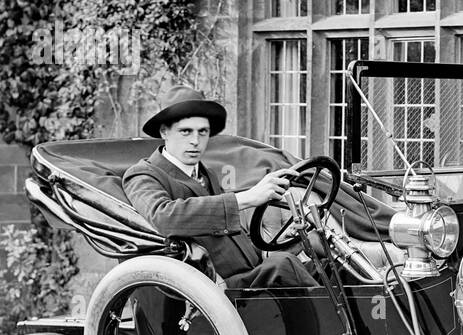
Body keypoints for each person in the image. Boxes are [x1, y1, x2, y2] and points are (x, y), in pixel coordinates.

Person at [122, 85, 320, 289]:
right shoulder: (144, 175)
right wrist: (247, 198)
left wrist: (282, 242)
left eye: (203, 132)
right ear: (164, 132)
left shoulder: (206, 174)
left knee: (331, 271)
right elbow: (164, 217)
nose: (195, 141)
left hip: (250, 278)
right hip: (212, 294)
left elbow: (229, 243)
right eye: (185, 132)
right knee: (284, 266)